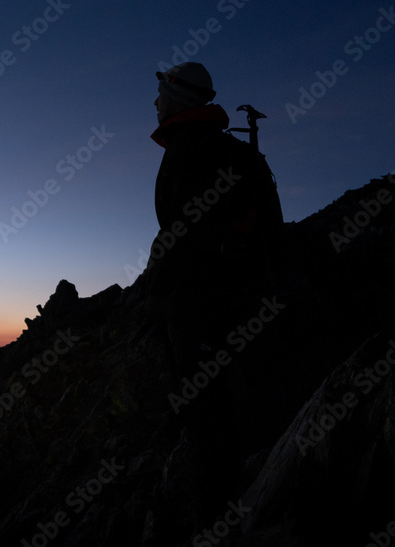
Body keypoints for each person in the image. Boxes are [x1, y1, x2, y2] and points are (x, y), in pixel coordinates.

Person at [145, 62, 283, 526]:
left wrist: (158, 298)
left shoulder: (190, 151)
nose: (155, 101)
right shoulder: (234, 152)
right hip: (241, 296)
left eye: (160, 92)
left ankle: (215, 518)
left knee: (206, 414)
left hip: (200, 304)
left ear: (179, 99)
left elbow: (184, 235)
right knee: (232, 404)